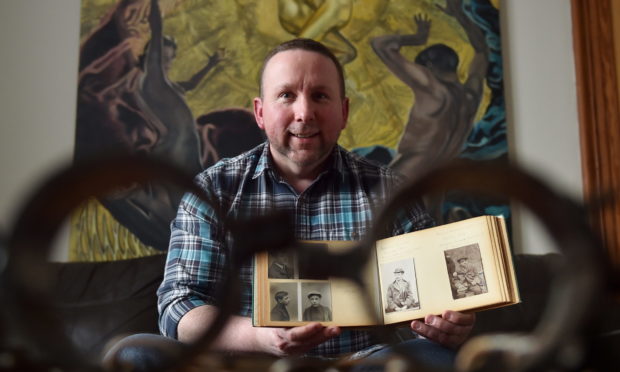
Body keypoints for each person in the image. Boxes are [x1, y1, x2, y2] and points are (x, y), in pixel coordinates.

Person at [156, 38, 476, 365]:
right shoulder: (213, 188)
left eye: (320, 96)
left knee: (437, 356)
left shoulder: (391, 190)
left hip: (362, 365)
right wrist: (264, 337)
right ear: (260, 112)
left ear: (344, 112)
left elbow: (436, 297)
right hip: (250, 364)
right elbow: (179, 308)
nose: (305, 113)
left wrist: (447, 325)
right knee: (139, 352)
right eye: (286, 95)